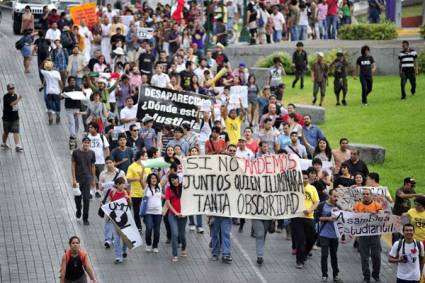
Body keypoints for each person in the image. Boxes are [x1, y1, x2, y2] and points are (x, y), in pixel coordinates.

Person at [353, 188, 383, 283]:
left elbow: (382, 217)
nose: (365, 195)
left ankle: (376, 275)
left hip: (375, 235)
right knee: (364, 257)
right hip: (362, 235)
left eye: (367, 194)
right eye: (364, 194)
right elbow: (351, 217)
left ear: (371, 195)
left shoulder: (377, 205)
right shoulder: (357, 205)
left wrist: (377, 214)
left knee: (376, 256)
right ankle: (366, 276)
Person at [291, 170, 319, 269]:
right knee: (300, 240)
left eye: (306, 178)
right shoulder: (294, 188)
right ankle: (299, 261)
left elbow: (316, 202)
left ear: (309, 179)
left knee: (311, 239)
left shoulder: (312, 188)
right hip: (297, 218)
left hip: (309, 217)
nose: (304, 180)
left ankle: (305, 254)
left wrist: (310, 210)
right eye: (302, 178)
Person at [99, 157, 126, 248]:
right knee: (108, 220)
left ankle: (115, 237)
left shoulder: (120, 173)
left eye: (110, 162)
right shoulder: (103, 174)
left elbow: (124, 185)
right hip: (107, 200)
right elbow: (100, 188)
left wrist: (114, 186)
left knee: (117, 219)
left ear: (114, 162)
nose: (109, 164)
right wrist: (101, 200)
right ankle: (107, 239)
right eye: (107, 163)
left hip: (118, 199)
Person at [317, 189, 343, 282]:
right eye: (334, 196)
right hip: (324, 234)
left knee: (334, 255)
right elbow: (317, 218)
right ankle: (324, 275)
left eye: (337, 196)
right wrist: (328, 218)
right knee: (324, 255)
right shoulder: (322, 205)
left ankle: (335, 275)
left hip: (334, 235)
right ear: (329, 195)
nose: (336, 198)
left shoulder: (338, 206)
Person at [71, 137, 96, 225]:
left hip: (87, 178)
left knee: (86, 199)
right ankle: (78, 210)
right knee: (77, 198)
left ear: (90, 144)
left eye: (88, 143)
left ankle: (85, 218)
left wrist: (93, 179)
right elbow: (73, 166)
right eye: (85, 142)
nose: (86, 144)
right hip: (78, 179)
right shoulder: (76, 152)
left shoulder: (92, 153)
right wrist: (74, 179)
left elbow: (93, 166)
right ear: (82, 143)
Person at [107, 177, 131, 264]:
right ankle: (118, 256)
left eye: (124, 183)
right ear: (117, 185)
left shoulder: (126, 192)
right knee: (117, 238)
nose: (123, 185)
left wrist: (128, 198)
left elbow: (130, 205)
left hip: (125, 219)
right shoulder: (112, 193)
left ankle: (124, 250)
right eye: (121, 184)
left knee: (125, 238)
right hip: (115, 219)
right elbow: (109, 204)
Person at [165, 173, 187, 262]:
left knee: (182, 235)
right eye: (172, 180)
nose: (174, 181)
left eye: (175, 179)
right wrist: (175, 212)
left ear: (178, 178)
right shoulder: (168, 189)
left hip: (183, 214)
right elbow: (168, 202)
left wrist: (185, 212)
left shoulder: (184, 187)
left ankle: (184, 247)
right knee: (174, 233)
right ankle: (174, 254)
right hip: (172, 214)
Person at [127, 150, 150, 233]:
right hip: (135, 192)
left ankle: (147, 224)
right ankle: (138, 227)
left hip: (146, 192)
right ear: (141, 157)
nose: (147, 158)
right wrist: (137, 179)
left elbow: (150, 177)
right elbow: (128, 179)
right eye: (145, 156)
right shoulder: (132, 167)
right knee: (136, 211)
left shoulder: (147, 166)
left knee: (146, 210)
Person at [143, 173, 163, 253]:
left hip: (158, 212)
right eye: (152, 178)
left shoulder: (159, 187)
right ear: (149, 180)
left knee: (157, 230)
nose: (154, 179)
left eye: (155, 178)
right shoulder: (146, 187)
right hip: (148, 212)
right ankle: (148, 244)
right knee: (149, 228)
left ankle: (155, 246)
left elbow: (165, 179)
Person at [1, 83, 23, 152]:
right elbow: (12, 103)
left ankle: (17, 146)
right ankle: (4, 143)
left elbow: (15, 105)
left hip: (15, 117)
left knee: (16, 131)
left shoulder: (15, 95)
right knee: (6, 132)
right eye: (10, 89)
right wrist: (19, 99)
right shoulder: (6, 96)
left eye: (13, 88)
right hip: (7, 118)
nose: (12, 90)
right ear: (7, 89)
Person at [41, 60, 63, 125]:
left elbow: (40, 67)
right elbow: (60, 82)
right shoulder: (57, 73)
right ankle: (58, 116)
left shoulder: (45, 73)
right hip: (56, 92)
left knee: (49, 106)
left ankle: (50, 118)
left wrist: (44, 61)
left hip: (49, 92)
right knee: (57, 105)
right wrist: (61, 90)